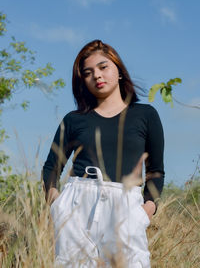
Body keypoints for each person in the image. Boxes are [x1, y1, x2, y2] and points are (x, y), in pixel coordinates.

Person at [42, 40, 165, 268]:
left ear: (118, 70)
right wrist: (57, 205)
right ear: (83, 82)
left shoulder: (145, 115)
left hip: (126, 206)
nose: (96, 75)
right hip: (77, 203)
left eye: (103, 67)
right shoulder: (74, 119)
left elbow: (156, 171)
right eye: (87, 73)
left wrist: (147, 210)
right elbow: (52, 166)